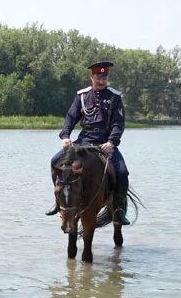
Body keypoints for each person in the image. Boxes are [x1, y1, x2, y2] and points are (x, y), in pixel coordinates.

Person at [48, 60, 131, 224]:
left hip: (105, 143)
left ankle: (119, 210)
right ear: (91, 76)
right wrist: (65, 136)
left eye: (104, 76)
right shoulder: (82, 96)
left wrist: (111, 142)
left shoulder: (115, 97)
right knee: (54, 161)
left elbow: (118, 123)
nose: (101, 80)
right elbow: (71, 118)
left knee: (122, 173)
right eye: (98, 77)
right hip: (84, 141)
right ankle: (59, 201)